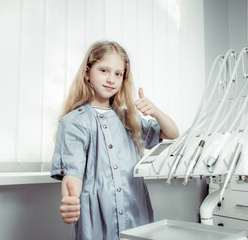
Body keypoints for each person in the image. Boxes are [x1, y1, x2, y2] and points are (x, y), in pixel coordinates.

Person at [51, 41, 179, 240]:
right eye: (104, 70)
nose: (111, 79)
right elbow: (73, 174)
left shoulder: (129, 119)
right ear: (87, 73)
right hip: (96, 219)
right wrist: (70, 199)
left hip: (136, 213)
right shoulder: (74, 122)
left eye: (118, 74)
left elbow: (172, 133)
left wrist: (154, 111)